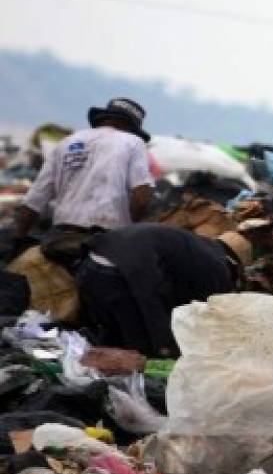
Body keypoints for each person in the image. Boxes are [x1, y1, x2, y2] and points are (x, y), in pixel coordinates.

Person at [75, 224, 247, 357]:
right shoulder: (218, 267)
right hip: (120, 276)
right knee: (143, 353)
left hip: (90, 264)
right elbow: (205, 317)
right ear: (236, 265)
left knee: (110, 342)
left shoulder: (195, 246)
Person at [14, 98, 155, 254]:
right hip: (107, 242)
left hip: (59, 240)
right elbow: (141, 199)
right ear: (130, 126)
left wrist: (19, 240)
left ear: (104, 118)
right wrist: (132, 232)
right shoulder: (134, 142)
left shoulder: (66, 142)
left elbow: (32, 203)